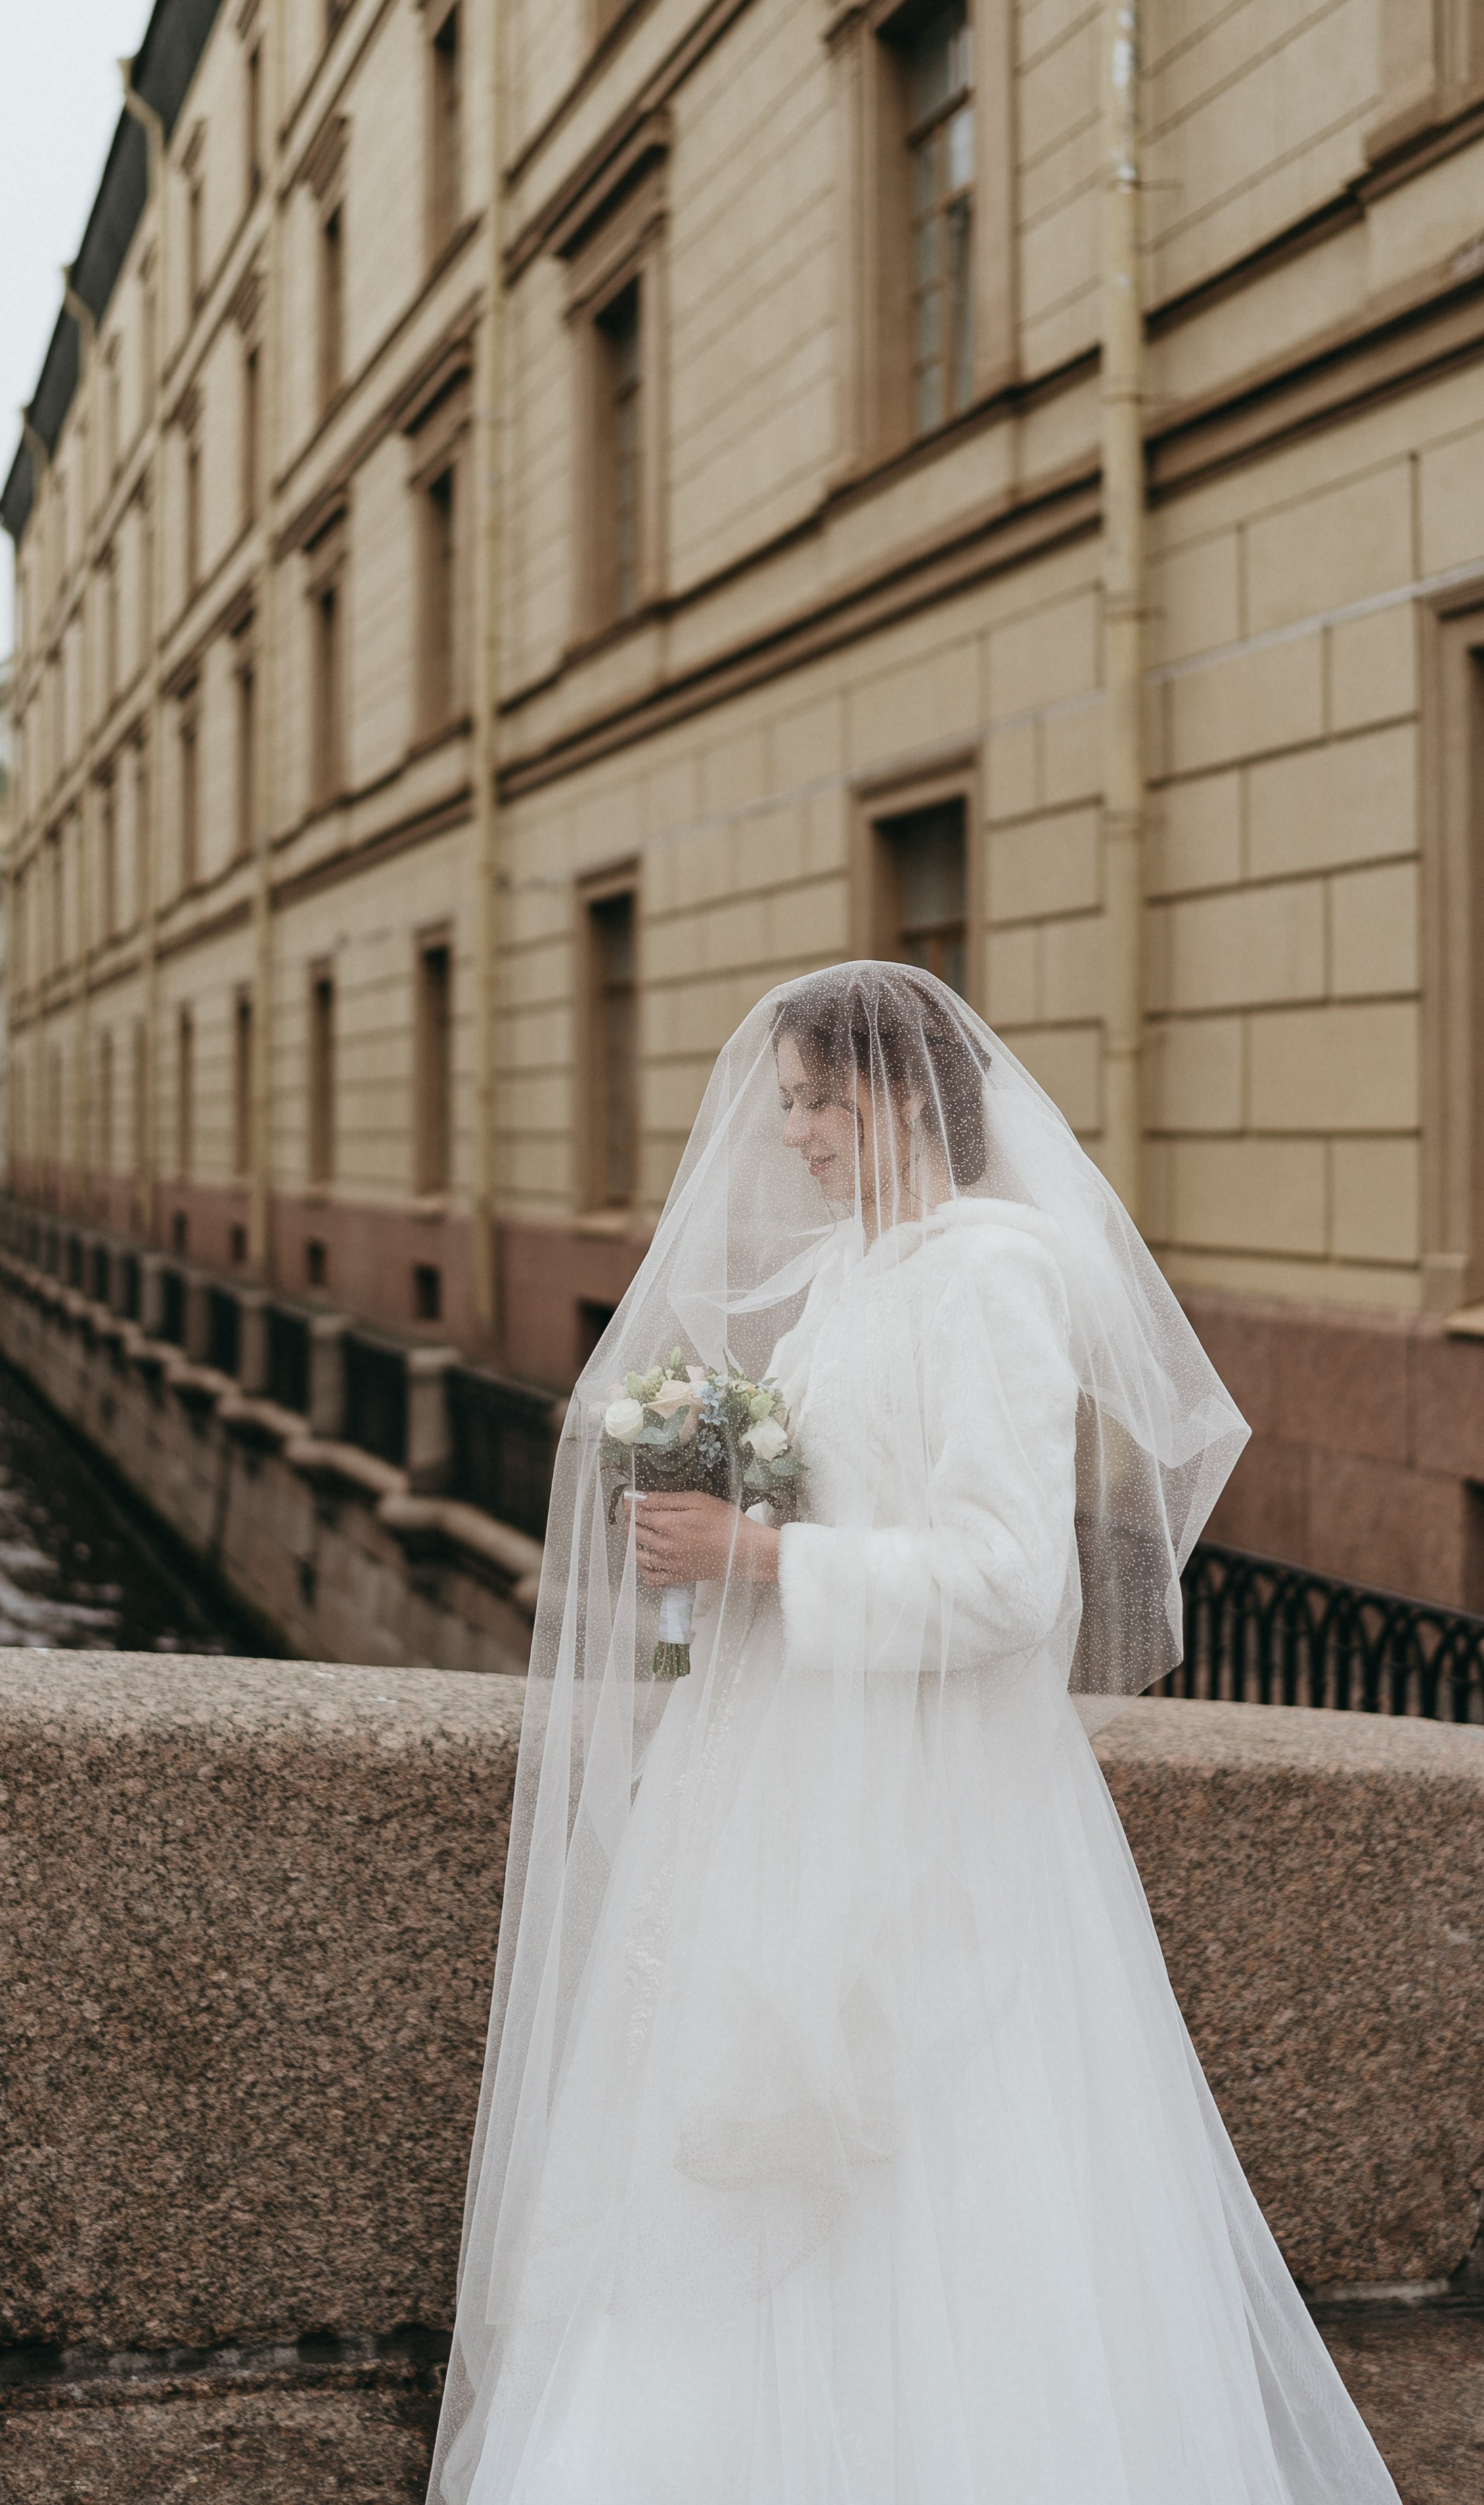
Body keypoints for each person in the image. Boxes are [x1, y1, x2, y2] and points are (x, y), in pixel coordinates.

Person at [429, 960, 1398, 2505]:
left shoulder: (988, 1272)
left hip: (935, 1815)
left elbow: (1015, 1582)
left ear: (898, 1094)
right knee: (728, 2172)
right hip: (788, 1787)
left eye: (818, 1100)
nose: (795, 1135)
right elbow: (840, 1504)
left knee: (930, 2168)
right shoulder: (843, 1283)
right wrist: (714, 1542)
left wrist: (757, 1559)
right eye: (791, 1103)